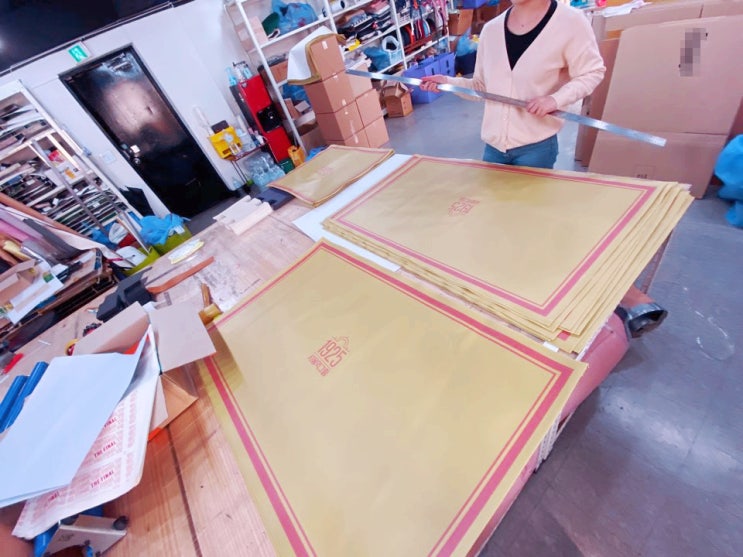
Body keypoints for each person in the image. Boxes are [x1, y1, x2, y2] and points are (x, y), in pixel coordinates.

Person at [420, 0, 605, 169]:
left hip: (536, 149)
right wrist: (447, 82)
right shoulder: (491, 30)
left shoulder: (570, 23)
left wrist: (555, 100)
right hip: (493, 148)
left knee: (531, 197)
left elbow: (592, 72)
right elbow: (481, 87)